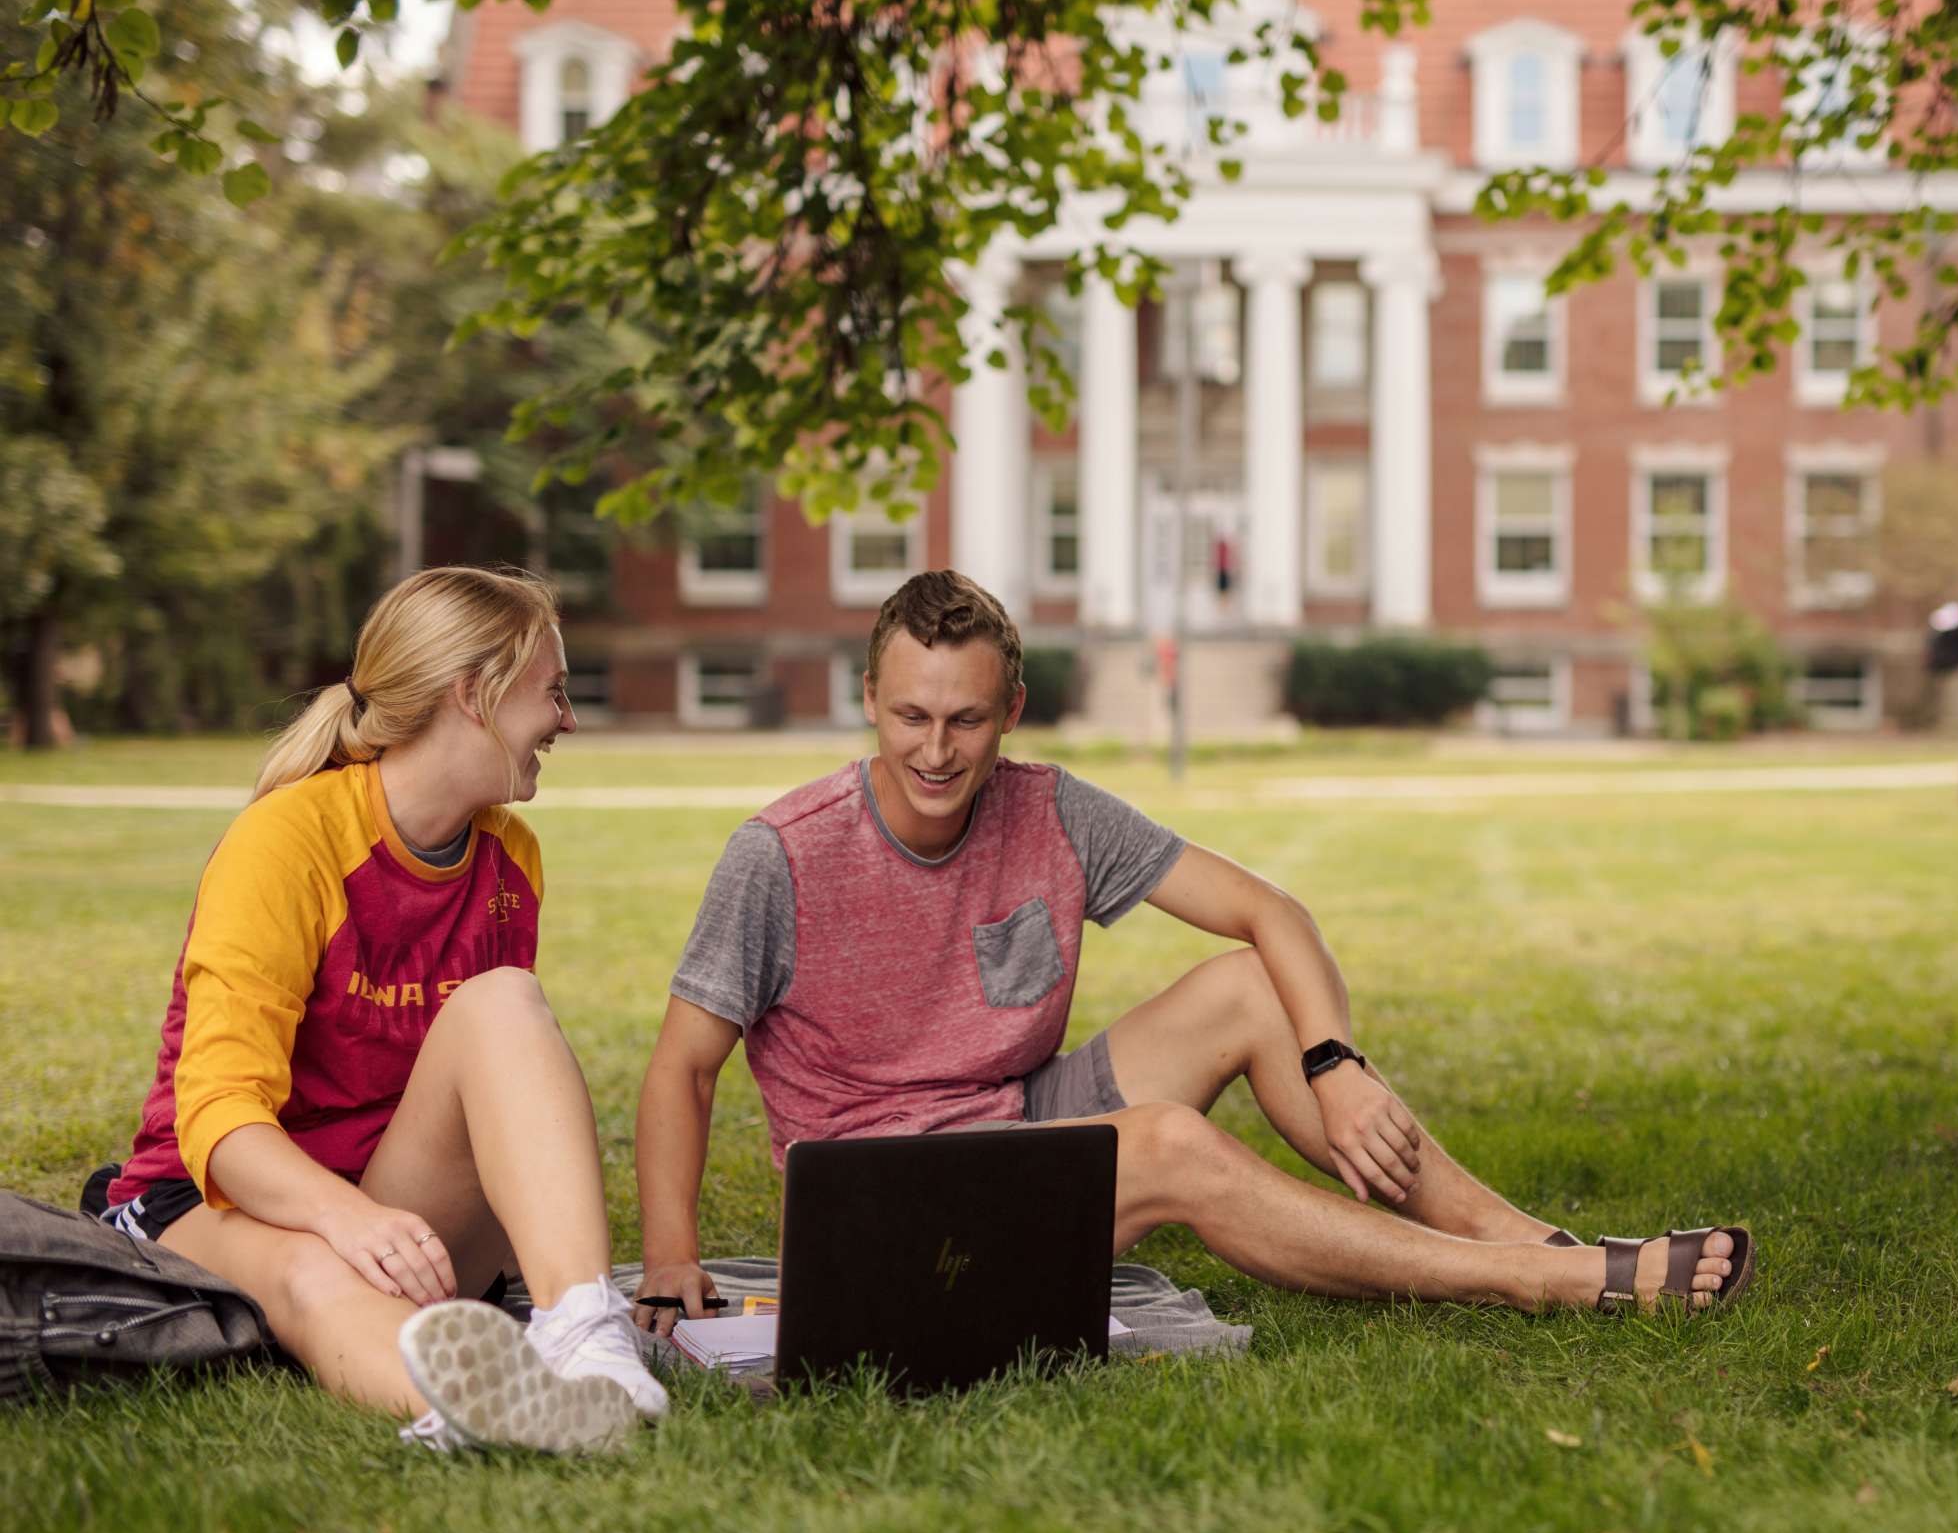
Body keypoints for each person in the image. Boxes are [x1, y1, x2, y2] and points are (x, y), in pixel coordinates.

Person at [633, 570, 1750, 1336]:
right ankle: (1532, 1280)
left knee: (1250, 991)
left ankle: (1531, 1236)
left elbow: (1271, 910)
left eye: (965, 720)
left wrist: (1334, 1065)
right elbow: (681, 1068)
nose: (935, 749)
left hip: (1015, 1133)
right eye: (911, 715)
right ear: (868, 699)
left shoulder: (1052, 812)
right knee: (1163, 1145)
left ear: (1011, 709)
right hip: (881, 1211)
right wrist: (672, 1257)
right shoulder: (780, 855)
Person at [93, 567, 664, 1455]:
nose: (568, 719)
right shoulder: (286, 841)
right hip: (223, 1195)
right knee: (315, 1269)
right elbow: (218, 1117)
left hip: (389, 1203)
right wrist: (346, 1217)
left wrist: (388, 1218)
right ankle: (478, 1410)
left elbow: (491, 1087)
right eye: (553, 691)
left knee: (504, 1000)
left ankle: (585, 1335)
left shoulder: (510, 857)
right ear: (474, 694)